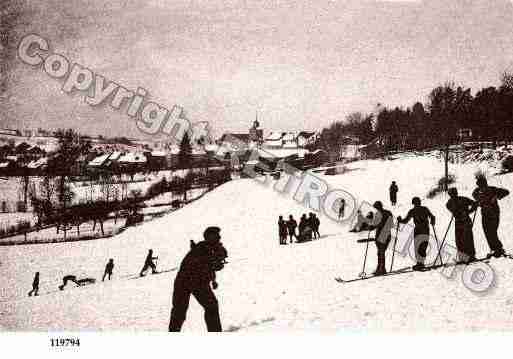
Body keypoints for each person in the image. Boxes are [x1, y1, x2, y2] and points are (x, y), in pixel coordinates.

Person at [169, 226, 228, 332]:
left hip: (199, 282)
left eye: (219, 235)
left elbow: (212, 264)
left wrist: (215, 270)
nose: (219, 237)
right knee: (180, 311)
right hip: (185, 282)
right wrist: (215, 264)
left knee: (212, 306)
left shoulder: (212, 248)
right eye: (216, 235)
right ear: (209, 237)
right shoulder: (201, 248)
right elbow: (204, 264)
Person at [472, 177, 509, 258]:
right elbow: (475, 196)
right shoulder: (476, 192)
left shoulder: (492, 189)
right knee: (486, 231)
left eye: (483, 185)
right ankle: (494, 249)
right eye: (480, 185)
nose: (482, 187)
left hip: (494, 213)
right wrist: (478, 202)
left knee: (492, 231)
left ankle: (498, 249)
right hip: (485, 214)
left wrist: (496, 196)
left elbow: (506, 192)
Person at [398, 197, 436, 271]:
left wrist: (400, 220)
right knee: (423, 246)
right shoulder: (424, 209)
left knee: (418, 246)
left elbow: (405, 220)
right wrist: (432, 221)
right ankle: (420, 263)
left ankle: (420, 263)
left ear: (413, 203)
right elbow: (432, 216)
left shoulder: (413, 211)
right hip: (425, 229)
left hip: (418, 230)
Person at [446, 188, 478, 263]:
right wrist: (469, 211)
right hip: (458, 222)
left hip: (465, 221)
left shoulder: (462, 199)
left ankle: (471, 256)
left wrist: (469, 211)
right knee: (459, 240)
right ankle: (463, 257)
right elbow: (449, 207)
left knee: (467, 238)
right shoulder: (450, 202)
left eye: (453, 194)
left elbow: (475, 204)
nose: (452, 195)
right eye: (451, 194)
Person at [368, 201, 394, 275]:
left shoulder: (378, 214)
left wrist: (371, 227)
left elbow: (375, 224)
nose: (376, 209)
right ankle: (380, 268)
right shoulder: (388, 212)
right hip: (387, 234)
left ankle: (381, 269)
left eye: (376, 207)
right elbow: (392, 225)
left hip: (380, 235)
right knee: (381, 252)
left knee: (380, 252)